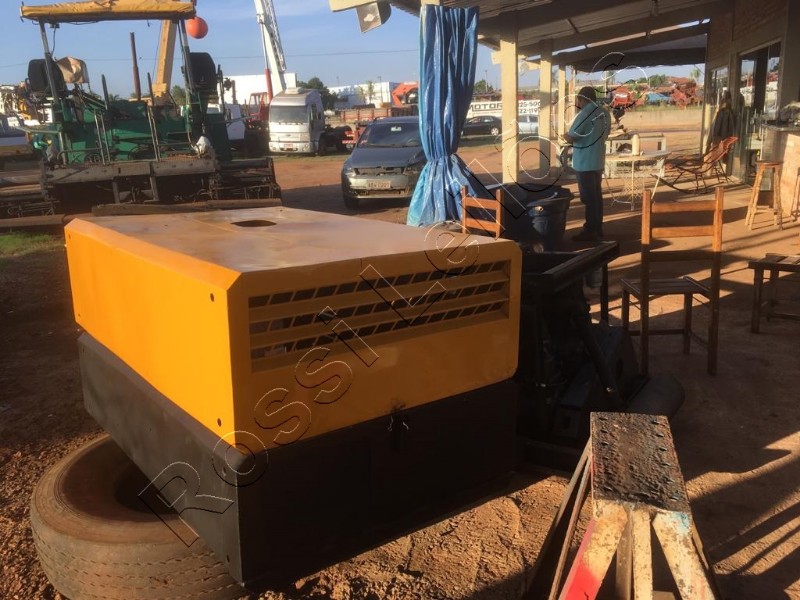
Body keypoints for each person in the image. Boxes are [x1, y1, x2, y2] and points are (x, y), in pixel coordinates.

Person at [564, 86, 611, 242]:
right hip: (598, 160)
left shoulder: (584, 114)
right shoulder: (604, 113)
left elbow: (571, 137)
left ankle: (590, 230)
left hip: (584, 163)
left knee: (589, 198)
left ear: (581, 99)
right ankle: (598, 227)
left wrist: (565, 136)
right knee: (596, 196)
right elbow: (606, 134)